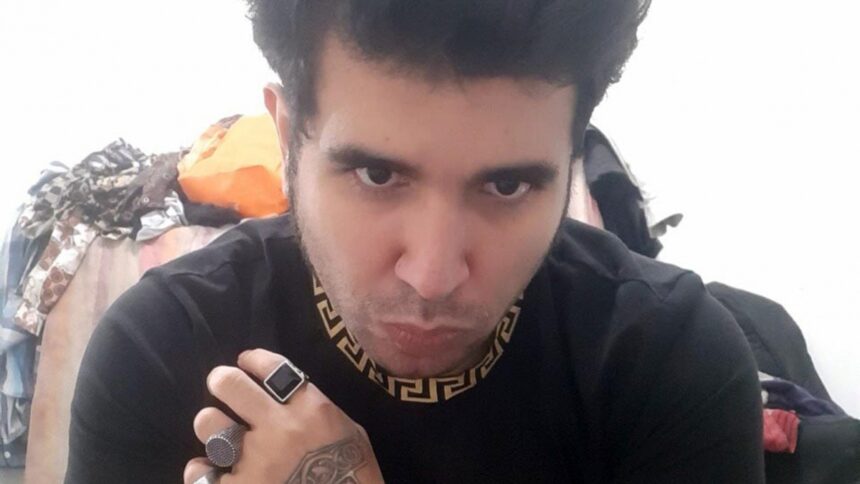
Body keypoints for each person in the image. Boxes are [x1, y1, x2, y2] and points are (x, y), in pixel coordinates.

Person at [66, 1, 765, 482]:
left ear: (571, 160)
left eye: (506, 186)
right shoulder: (163, 349)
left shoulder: (669, 362)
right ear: (286, 140)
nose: (432, 275)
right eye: (377, 175)